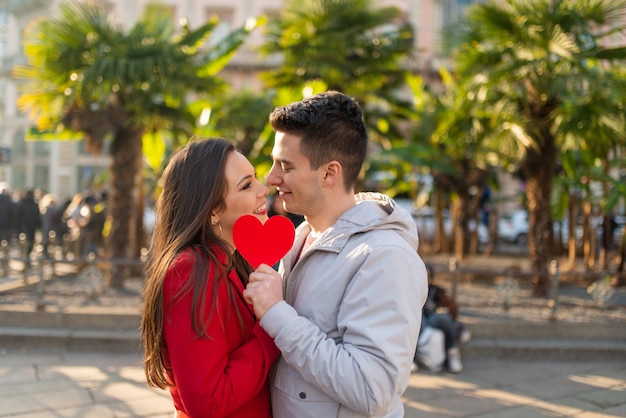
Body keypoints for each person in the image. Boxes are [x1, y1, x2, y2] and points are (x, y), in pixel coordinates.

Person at [243, 91, 428, 418]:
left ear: (330, 173)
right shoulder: (300, 238)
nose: (271, 179)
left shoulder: (385, 257)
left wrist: (277, 313)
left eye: (285, 166)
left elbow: (373, 390)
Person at [141, 137, 280, 418]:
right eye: (247, 185)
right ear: (214, 209)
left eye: (256, 179)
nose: (263, 190)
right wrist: (274, 325)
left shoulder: (227, 262)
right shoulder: (190, 270)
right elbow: (207, 401)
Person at [419, 264, 470, 373]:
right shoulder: (412, 290)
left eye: (428, 276)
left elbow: (452, 306)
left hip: (432, 320)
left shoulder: (436, 291)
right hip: (419, 323)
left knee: (444, 318)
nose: (425, 279)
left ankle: (453, 352)